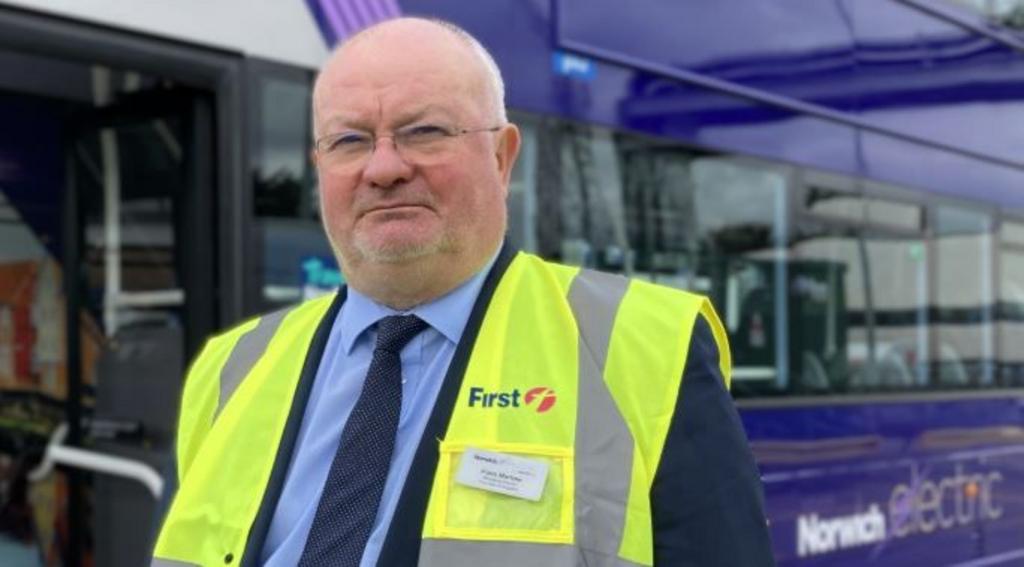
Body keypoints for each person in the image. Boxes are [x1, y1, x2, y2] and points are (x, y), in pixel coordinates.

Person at [152, 17, 775, 567]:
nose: (384, 167)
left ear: (503, 158)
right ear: (321, 170)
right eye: (349, 141)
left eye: (424, 131)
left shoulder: (649, 351)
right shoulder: (230, 368)